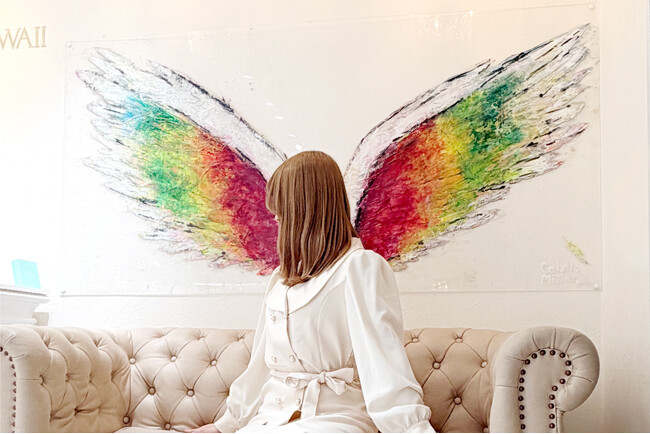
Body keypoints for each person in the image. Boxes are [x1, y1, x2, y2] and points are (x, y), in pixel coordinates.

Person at [185, 151, 435, 433]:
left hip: (335, 419)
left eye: (282, 210)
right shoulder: (282, 279)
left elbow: (384, 364)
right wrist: (226, 425)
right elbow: (260, 366)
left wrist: (413, 429)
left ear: (303, 210)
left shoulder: (360, 267)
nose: (276, 218)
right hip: (271, 420)